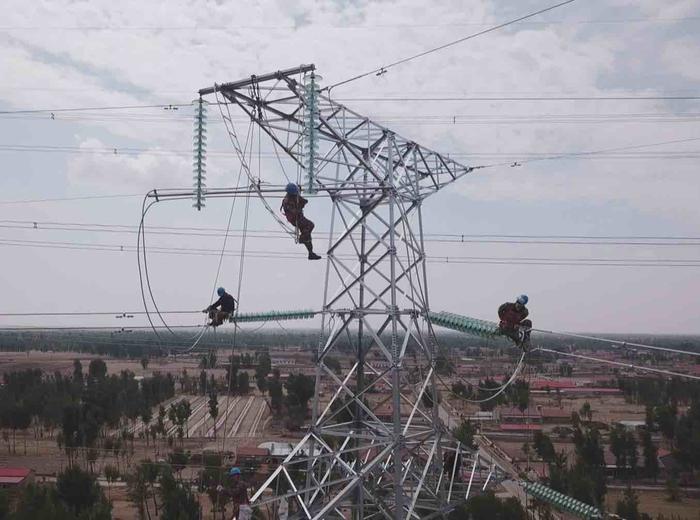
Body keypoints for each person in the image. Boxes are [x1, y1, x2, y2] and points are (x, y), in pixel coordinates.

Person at [281, 182, 321, 260]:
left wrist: (299, 196)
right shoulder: (287, 201)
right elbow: (293, 210)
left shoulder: (294, 197)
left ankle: (310, 253)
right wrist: (299, 204)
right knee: (310, 225)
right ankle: (302, 238)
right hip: (296, 219)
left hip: (298, 218)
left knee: (307, 235)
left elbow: (304, 201)